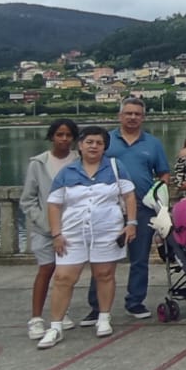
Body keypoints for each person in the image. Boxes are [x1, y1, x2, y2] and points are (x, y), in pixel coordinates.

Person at [39, 126, 137, 347]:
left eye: (99, 143)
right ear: (80, 145)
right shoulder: (67, 172)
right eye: (89, 142)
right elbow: (54, 205)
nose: (94, 146)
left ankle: (104, 317)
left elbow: (129, 196)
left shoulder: (115, 167)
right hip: (73, 232)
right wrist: (56, 234)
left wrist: (131, 223)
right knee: (63, 277)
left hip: (107, 231)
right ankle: (55, 326)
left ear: (105, 147)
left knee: (104, 274)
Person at [84, 98, 169, 324]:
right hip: (108, 208)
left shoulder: (153, 144)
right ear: (120, 115)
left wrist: (160, 195)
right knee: (102, 258)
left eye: (137, 114)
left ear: (143, 117)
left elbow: (164, 174)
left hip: (142, 208)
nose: (132, 117)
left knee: (139, 259)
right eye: (128, 113)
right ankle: (96, 306)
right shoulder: (106, 141)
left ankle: (135, 302)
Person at [21, 119, 79, 340]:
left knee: (66, 274)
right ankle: (36, 318)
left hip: (72, 227)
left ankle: (60, 312)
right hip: (45, 229)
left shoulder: (79, 161)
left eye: (68, 135)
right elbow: (28, 199)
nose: (64, 139)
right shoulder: (38, 163)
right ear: (52, 136)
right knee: (46, 270)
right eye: (59, 135)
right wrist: (45, 223)